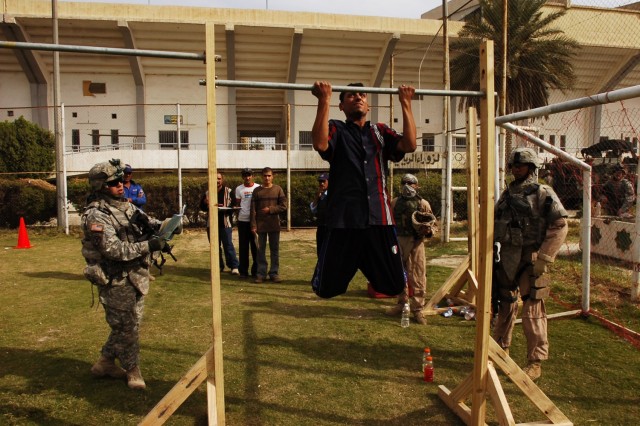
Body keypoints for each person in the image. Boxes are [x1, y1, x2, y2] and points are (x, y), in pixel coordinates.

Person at [310, 81, 417, 298]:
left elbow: (409, 145)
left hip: (379, 219)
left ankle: (361, 259)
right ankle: (352, 258)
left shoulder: (380, 131)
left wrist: (405, 103)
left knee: (395, 285)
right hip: (344, 220)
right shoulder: (336, 129)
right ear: (341, 106)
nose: (358, 97)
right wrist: (324, 100)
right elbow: (320, 144)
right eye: (351, 95)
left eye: (362, 95)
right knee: (325, 289)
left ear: (368, 105)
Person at [80, 158, 179, 390]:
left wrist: (171, 225)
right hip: (115, 279)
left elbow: (150, 223)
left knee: (128, 325)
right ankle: (133, 370)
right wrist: (149, 246)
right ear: (101, 187)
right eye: (114, 182)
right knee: (128, 328)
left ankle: (105, 361)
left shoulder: (127, 206)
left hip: (136, 276)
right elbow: (113, 250)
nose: (121, 184)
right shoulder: (96, 215)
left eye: (121, 180)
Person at [492, 147, 568, 381]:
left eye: (521, 165)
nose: (516, 169)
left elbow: (560, 225)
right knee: (505, 304)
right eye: (514, 165)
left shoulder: (543, 193)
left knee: (533, 309)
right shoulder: (506, 195)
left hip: (531, 257)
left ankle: (535, 361)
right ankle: (500, 350)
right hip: (507, 256)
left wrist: (545, 257)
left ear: (532, 168)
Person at [386, 173, 437, 325]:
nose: (407, 186)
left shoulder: (423, 204)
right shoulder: (395, 203)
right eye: (404, 183)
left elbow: (433, 224)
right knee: (399, 274)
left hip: (416, 243)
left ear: (416, 185)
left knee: (417, 275)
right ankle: (401, 303)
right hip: (399, 241)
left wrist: (428, 230)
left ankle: (418, 309)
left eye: (411, 183)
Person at [250, 167, 287, 283]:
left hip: (274, 225)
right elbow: (253, 210)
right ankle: (261, 274)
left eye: (269, 175)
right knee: (260, 251)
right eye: (265, 176)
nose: (267, 178)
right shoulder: (256, 191)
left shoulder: (278, 189)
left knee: (274, 250)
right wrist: (253, 225)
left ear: (272, 176)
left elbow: (284, 206)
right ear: (262, 176)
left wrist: (270, 209)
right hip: (260, 226)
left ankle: (274, 273)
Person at [200, 172, 240, 275]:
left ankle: (234, 266)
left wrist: (226, 208)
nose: (217, 181)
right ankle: (218, 266)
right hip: (211, 224)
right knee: (214, 246)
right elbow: (202, 207)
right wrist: (205, 203)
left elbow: (234, 206)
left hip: (225, 223)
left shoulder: (229, 191)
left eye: (219, 178)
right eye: (215, 179)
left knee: (228, 245)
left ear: (222, 179)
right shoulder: (208, 192)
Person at [235, 168, 260, 278]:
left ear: (252, 176)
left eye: (249, 175)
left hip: (255, 221)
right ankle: (243, 271)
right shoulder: (239, 189)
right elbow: (237, 204)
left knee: (256, 247)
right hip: (243, 221)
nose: (247, 177)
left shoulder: (258, 188)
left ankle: (256, 271)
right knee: (243, 247)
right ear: (242, 177)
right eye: (245, 175)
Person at [309, 172, 329, 257]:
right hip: (321, 227)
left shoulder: (333, 194)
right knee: (320, 251)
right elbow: (313, 209)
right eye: (320, 181)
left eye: (323, 181)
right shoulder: (320, 195)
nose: (321, 183)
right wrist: (317, 196)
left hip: (329, 227)